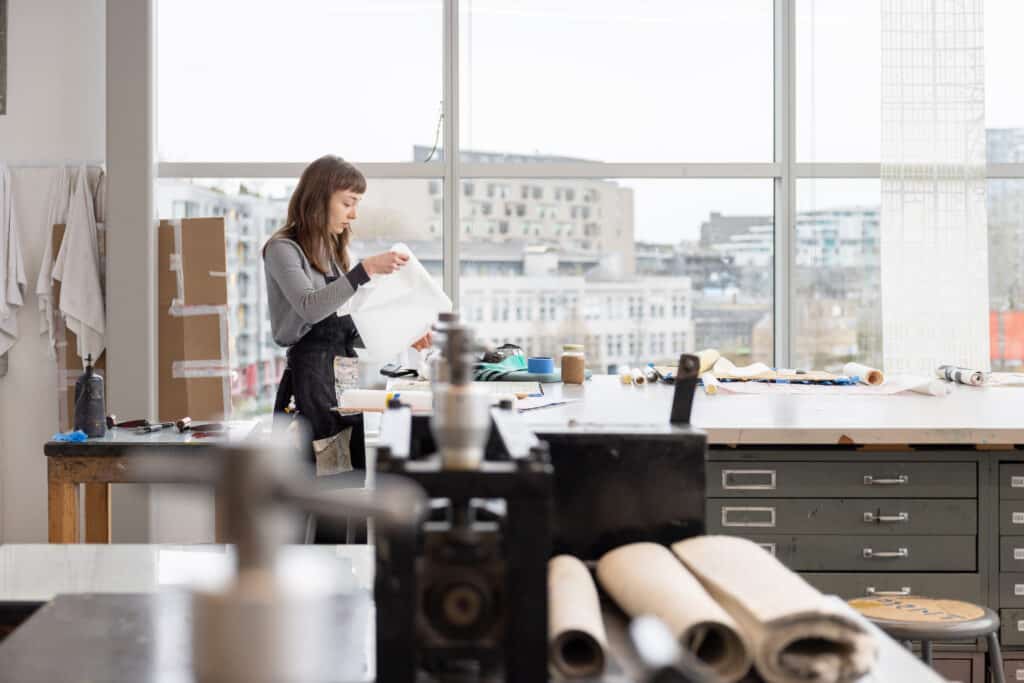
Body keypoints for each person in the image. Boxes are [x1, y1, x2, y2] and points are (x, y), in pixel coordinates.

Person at [263, 154, 431, 477]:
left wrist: (406, 332)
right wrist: (363, 271)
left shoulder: (335, 253)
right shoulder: (282, 249)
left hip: (343, 381)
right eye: (348, 203)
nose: (353, 215)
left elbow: (350, 325)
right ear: (319, 198)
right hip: (309, 382)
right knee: (315, 485)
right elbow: (310, 307)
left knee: (345, 480)